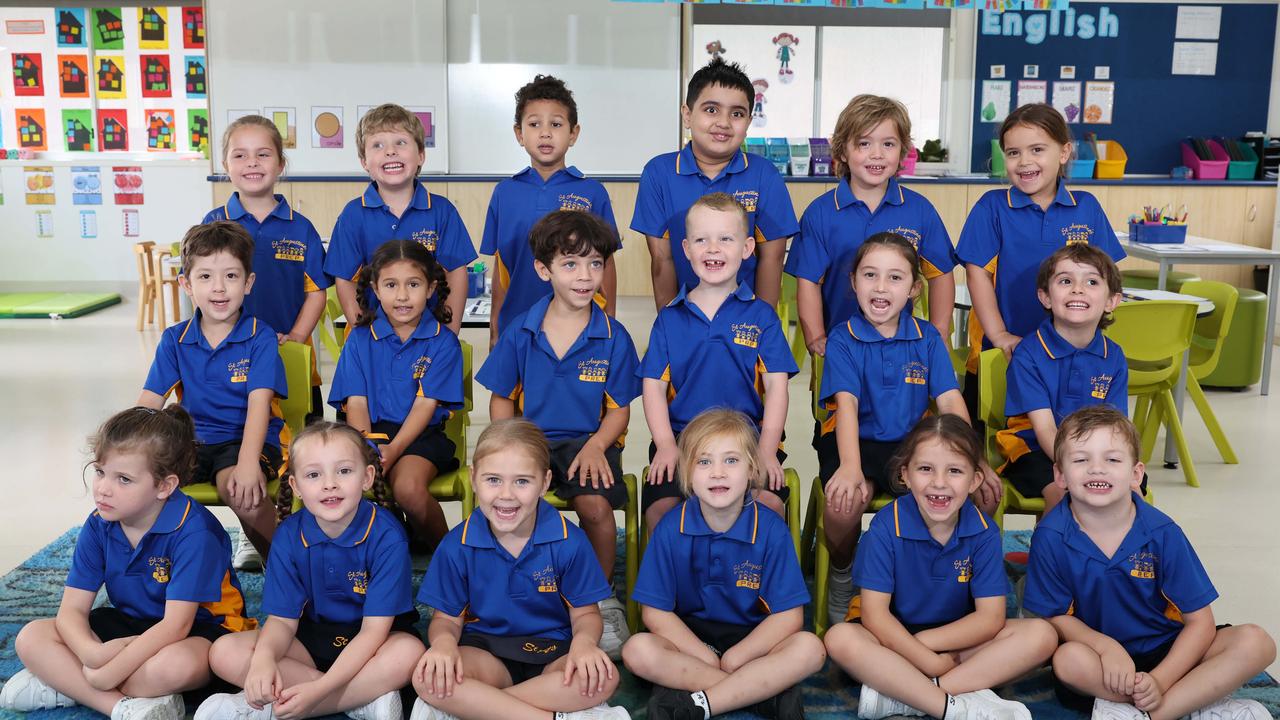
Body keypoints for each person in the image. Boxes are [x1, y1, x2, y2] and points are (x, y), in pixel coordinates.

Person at [0, 406, 254, 720]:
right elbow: (72, 612)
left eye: (123, 479)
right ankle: (121, 706)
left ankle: (67, 685)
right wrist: (91, 654)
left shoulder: (196, 532)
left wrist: (102, 674)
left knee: (171, 667)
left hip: (201, 633)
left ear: (164, 486)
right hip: (132, 624)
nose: (103, 488)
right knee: (31, 638)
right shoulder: (99, 524)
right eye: (100, 471)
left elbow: (177, 626)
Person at [1024, 405, 1277, 720]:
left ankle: (1153, 712)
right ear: (1060, 475)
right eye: (1080, 460)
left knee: (1256, 642)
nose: (1096, 469)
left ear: (1136, 474)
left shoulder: (1163, 532)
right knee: (1067, 660)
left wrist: (1160, 680)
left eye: (1112, 459)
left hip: (1170, 651)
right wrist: (1105, 647)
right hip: (1101, 659)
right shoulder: (1050, 535)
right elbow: (1055, 617)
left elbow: (1201, 623)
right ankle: (1187, 705)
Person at [477, 210, 640, 659]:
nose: (585, 276)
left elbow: (619, 411)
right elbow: (502, 398)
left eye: (595, 264)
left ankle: (601, 597)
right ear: (543, 270)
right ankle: (504, 587)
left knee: (594, 506)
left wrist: (597, 446)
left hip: (591, 441)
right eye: (570, 264)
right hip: (531, 440)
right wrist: (508, 444)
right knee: (507, 501)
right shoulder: (521, 331)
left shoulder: (614, 337)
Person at [815, 232, 997, 628]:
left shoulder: (928, 337)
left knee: (976, 492)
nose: (881, 287)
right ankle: (844, 576)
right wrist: (849, 467)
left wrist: (976, 461)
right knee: (844, 502)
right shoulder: (843, 339)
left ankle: (953, 583)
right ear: (853, 282)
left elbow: (950, 403)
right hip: (854, 442)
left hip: (909, 445)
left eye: (895, 278)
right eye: (870, 275)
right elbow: (846, 407)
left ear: (915, 288)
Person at [823, 415, 1053, 720]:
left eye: (955, 471)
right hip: (892, 641)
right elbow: (876, 617)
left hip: (956, 640)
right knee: (840, 639)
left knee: (1042, 635)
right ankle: (951, 705)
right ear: (905, 475)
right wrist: (927, 659)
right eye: (925, 469)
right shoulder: (885, 526)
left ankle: (915, 696)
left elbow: (990, 618)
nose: (939, 483)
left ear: (975, 480)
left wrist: (927, 648)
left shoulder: (983, 531)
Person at [196, 422, 425, 720]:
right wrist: (264, 660)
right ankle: (362, 702)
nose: (329, 484)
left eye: (343, 471)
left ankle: (284, 706)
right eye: (314, 475)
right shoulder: (289, 535)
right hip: (311, 640)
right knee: (224, 652)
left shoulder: (387, 535)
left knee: (410, 654)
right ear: (296, 486)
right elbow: (281, 621)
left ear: (367, 477)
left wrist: (320, 692)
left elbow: (373, 632)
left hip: (375, 641)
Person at [410, 419, 628, 720]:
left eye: (522, 481)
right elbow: (446, 621)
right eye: (493, 480)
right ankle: (549, 715)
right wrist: (444, 644)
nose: (507, 495)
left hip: (553, 653)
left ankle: (481, 707)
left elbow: (586, 615)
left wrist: (585, 644)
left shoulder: (570, 541)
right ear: (474, 479)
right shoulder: (456, 545)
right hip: (486, 653)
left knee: (604, 677)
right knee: (427, 677)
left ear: (545, 482)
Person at [621, 409, 825, 720]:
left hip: (754, 640)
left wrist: (735, 658)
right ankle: (760, 695)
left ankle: (699, 697)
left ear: (752, 470)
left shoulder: (770, 529)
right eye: (704, 461)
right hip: (689, 639)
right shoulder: (669, 529)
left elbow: (789, 617)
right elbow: (655, 612)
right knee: (636, 650)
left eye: (731, 460)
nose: (718, 472)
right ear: (686, 473)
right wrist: (703, 654)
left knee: (811, 648)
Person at [638, 192, 798, 532]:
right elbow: (652, 387)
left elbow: (777, 389)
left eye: (726, 239)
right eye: (701, 240)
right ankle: (667, 584)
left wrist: (767, 450)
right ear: (686, 249)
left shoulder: (763, 318)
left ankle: (760, 581)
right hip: (683, 441)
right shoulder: (669, 319)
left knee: (768, 506)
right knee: (660, 511)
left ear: (747, 248)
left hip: (748, 442)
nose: (713, 249)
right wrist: (666, 444)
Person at [956, 102, 1125, 421]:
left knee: (1069, 436)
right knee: (986, 444)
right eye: (1013, 152)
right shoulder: (992, 207)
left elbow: (1107, 275)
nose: (1024, 162)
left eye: (1037, 149)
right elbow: (976, 275)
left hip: (1071, 356)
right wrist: (1001, 335)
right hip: (1002, 353)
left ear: (1064, 152)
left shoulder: (1086, 207)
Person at [138, 221, 288, 569]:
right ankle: (159, 573)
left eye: (231, 277)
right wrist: (127, 448)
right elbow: (149, 402)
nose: (219, 288)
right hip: (192, 444)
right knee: (140, 485)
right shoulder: (175, 339)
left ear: (248, 283)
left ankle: (288, 572)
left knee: (240, 490)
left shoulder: (259, 337)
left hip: (246, 441)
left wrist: (249, 463)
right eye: (205, 277)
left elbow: (258, 407)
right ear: (187, 285)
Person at [785, 94, 957, 352]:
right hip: (841, 349)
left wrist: (940, 334)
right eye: (864, 144)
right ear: (842, 151)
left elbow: (941, 274)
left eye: (888, 144)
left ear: (903, 152)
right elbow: (809, 282)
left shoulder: (920, 211)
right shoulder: (820, 214)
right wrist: (815, 337)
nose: (877, 155)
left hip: (902, 350)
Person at [328, 240, 464, 552]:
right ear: (375, 288)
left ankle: (450, 560)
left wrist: (394, 449)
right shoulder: (359, 339)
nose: (402, 296)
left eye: (413, 284)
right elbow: (356, 403)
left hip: (421, 436)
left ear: (430, 289)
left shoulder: (444, 343)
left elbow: (424, 405)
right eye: (391, 285)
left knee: (407, 490)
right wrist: (369, 449)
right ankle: (397, 546)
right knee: (360, 486)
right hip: (368, 436)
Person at [632, 57, 798, 309]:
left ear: (748, 123)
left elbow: (771, 259)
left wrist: (761, 326)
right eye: (711, 110)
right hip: (684, 314)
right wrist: (669, 324)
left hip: (745, 317)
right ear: (687, 115)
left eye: (737, 113)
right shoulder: (659, 173)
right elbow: (661, 259)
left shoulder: (765, 175)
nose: (724, 122)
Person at [204, 114, 329, 423]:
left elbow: (316, 293)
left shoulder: (301, 228)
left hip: (292, 359)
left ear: (280, 164)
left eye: (263, 154)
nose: (252, 162)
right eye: (240, 155)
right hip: (230, 359)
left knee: (306, 444)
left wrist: (298, 335)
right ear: (225, 165)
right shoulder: (213, 224)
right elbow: (203, 288)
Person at [481, 74, 619, 345]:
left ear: (573, 133)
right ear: (519, 134)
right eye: (534, 124)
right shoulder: (504, 193)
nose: (545, 132)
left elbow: (607, 262)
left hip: (579, 325)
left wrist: (609, 319)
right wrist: (496, 326)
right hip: (517, 325)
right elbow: (501, 267)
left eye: (556, 124)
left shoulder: (592, 192)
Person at [998, 244, 1129, 515]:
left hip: (1093, 452)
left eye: (1092, 281)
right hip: (1033, 448)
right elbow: (1044, 430)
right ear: (1045, 297)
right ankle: (1049, 556)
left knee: (1130, 495)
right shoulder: (1029, 354)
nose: (1077, 289)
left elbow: (1116, 427)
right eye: (1066, 281)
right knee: (1062, 496)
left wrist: (1106, 466)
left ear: (1111, 301)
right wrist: (1079, 469)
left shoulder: (1113, 356)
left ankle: (1112, 555)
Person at [324, 103, 477, 333]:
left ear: (421, 156)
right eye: (377, 145)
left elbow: (456, 273)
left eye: (401, 143)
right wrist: (363, 332)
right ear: (364, 162)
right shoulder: (352, 215)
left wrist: (449, 333)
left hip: (430, 339)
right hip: (373, 340)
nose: (390, 151)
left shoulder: (442, 211)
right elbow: (345, 280)